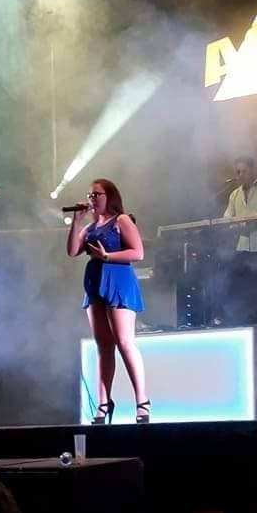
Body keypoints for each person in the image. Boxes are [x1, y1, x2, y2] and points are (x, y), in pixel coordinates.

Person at [67, 178, 149, 424]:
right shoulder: (90, 227)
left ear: (109, 196)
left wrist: (107, 256)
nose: (92, 199)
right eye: (90, 195)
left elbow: (138, 252)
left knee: (124, 342)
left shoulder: (121, 220)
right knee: (103, 346)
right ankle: (103, 403)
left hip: (119, 281)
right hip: (95, 284)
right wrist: (76, 221)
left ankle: (142, 401)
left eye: (96, 194)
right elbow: (72, 251)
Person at [217, 155, 257, 326]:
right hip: (243, 246)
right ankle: (240, 323)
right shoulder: (234, 195)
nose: (240, 175)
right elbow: (227, 219)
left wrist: (248, 223)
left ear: (252, 171)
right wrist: (228, 225)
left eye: (244, 171)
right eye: (238, 172)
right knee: (239, 286)